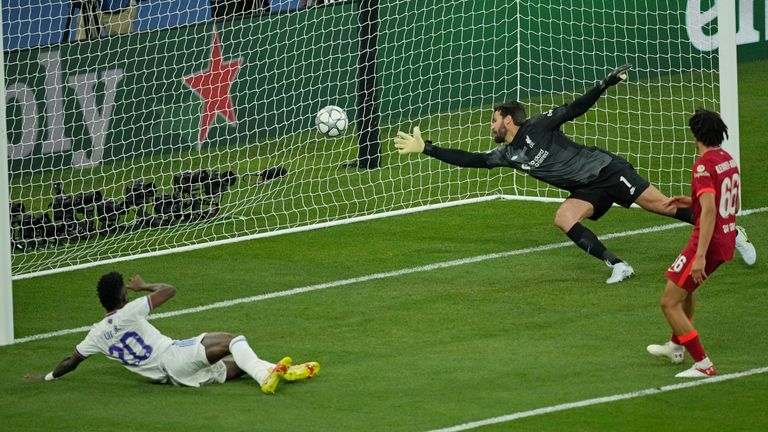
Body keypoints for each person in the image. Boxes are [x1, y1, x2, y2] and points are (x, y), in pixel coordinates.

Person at [393, 65, 756, 284]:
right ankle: (619, 265)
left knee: (661, 206)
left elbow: (574, 109)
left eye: (494, 119)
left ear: (508, 119)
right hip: (586, 189)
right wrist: (428, 148)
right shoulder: (508, 154)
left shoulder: (538, 127)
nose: (491, 125)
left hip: (606, 170)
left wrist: (603, 84)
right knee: (564, 217)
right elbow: (471, 159)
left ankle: (732, 230)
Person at [24, 272, 319, 394]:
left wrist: (46, 377)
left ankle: (283, 371)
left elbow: (71, 360)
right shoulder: (131, 310)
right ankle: (266, 377)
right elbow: (170, 290)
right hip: (173, 355)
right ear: (123, 295)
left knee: (235, 367)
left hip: (173, 378)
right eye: (126, 289)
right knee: (232, 340)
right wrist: (144, 285)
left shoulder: (96, 335)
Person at [646, 109, 742, 377]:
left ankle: (703, 364)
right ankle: (676, 346)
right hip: (724, 238)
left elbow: (711, 210)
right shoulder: (726, 159)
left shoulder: (703, 165)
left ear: (695, 135)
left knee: (669, 301)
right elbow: (726, 199)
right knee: (685, 291)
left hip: (708, 242)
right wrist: (691, 200)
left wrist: (699, 256)